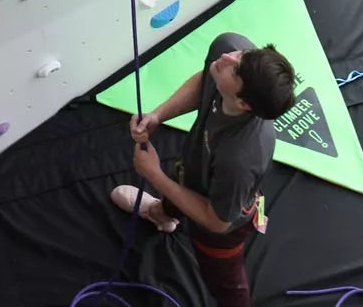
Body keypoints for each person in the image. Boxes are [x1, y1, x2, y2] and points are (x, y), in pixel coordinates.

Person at [110, 33, 294, 307]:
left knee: (225, 282)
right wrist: (158, 115)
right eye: (241, 56)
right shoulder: (229, 49)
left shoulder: (240, 159)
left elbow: (218, 221)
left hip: (221, 218)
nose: (228, 57)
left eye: (235, 67)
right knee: (177, 190)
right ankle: (161, 215)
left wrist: (154, 175)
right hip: (193, 171)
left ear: (244, 104)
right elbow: (206, 82)